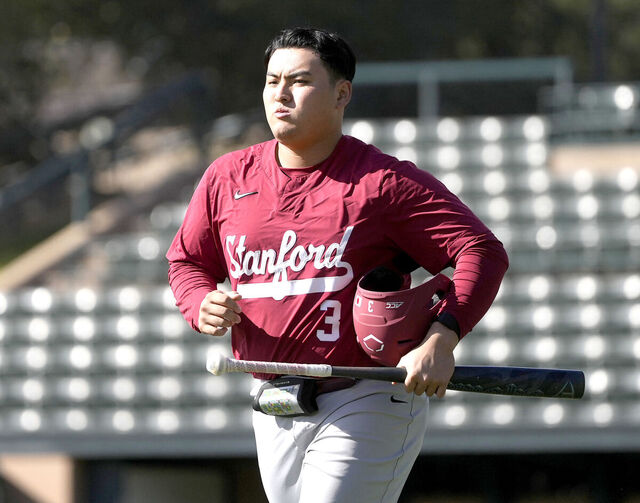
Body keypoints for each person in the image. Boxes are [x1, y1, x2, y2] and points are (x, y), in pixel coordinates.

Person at [167, 27, 508, 503]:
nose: (281, 93)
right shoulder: (227, 176)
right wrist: (199, 300)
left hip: (367, 394)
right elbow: (187, 261)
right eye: (271, 80)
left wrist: (441, 338)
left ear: (342, 93)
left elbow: (481, 251)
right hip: (276, 401)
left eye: (300, 81)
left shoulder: (383, 182)